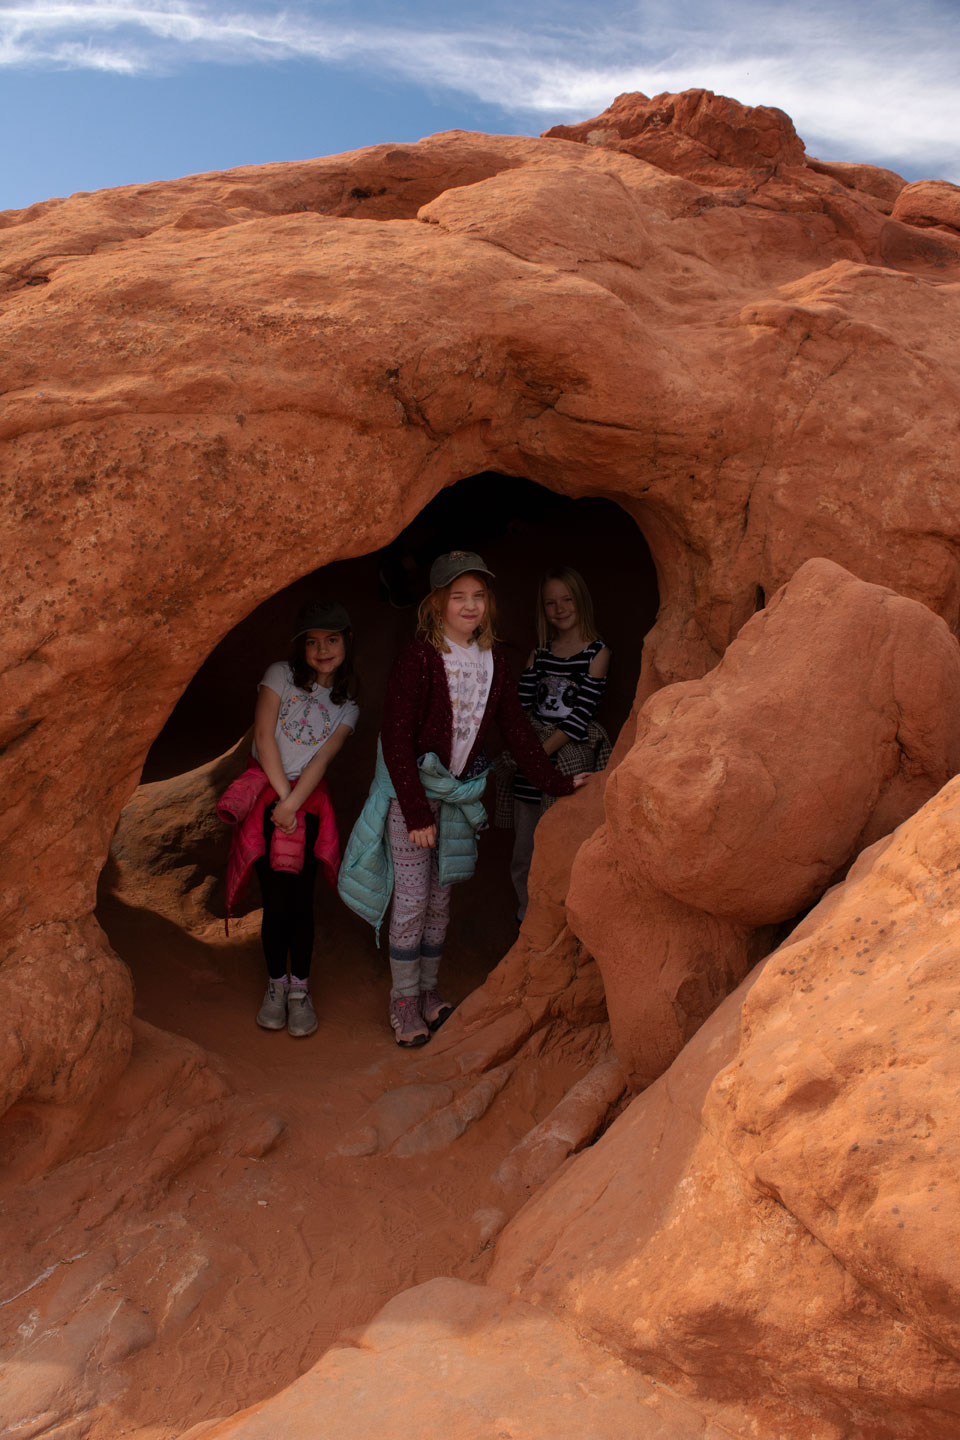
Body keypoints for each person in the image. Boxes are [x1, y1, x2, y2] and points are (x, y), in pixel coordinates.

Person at [338, 551, 587, 1047]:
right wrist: (413, 810)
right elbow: (395, 734)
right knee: (411, 902)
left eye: (478, 596)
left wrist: (555, 781)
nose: (470, 606)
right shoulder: (421, 656)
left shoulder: (493, 658)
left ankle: (429, 992)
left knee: (440, 901)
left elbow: (514, 727)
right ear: (437, 604)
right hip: (414, 799)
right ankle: (404, 1001)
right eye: (458, 597)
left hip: (455, 799)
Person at [218, 601, 358, 1037]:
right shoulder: (279, 674)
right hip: (268, 793)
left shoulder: (347, 704)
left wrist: (294, 805)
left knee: (301, 901)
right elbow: (264, 735)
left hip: (306, 801)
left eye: (332, 640)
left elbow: (323, 760)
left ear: (346, 644)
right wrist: (282, 800)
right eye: (312, 642)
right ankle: (276, 986)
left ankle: (300, 991)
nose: (322, 650)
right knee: (275, 901)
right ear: (300, 647)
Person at [509, 567, 611, 923]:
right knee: (525, 853)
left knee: (560, 851)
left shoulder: (597, 653)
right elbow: (519, 709)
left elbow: (579, 718)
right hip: (530, 771)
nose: (560, 608)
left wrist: (536, 757)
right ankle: (527, 923)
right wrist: (528, 756)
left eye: (567, 599)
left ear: (581, 601)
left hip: (563, 762)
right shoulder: (539, 654)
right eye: (551, 603)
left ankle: (560, 924)